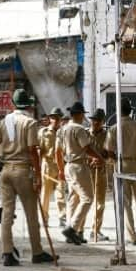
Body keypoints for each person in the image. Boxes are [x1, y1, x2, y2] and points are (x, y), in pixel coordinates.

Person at [0, 89, 55, 266]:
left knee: (7, 214)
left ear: (14, 104)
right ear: (28, 105)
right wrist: (39, 176)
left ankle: (7, 253)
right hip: (23, 171)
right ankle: (37, 252)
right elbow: (33, 150)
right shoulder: (29, 123)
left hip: (6, 171)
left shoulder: (3, 122)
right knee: (31, 213)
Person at [105, 99, 136, 246]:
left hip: (122, 165)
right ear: (130, 111)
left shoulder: (113, 128)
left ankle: (131, 236)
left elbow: (109, 150)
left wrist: (116, 160)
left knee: (125, 203)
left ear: (118, 111)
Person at [57, 101, 105, 245]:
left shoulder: (62, 129)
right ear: (78, 115)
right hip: (78, 166)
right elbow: (87, 148)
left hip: (68, 166)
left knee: (73, 198)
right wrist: (99, 157)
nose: (84, 117)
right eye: (83, 114)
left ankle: (72, 231)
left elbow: (58, 152)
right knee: (87, 198)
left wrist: (61, 169)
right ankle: (72, 228)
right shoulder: (79, 129)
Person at [38, 107, 67, 228]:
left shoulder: (64, 132)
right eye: (53, 117)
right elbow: (39, 150)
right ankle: (44, 219)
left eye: (58, 117)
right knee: (46, 194)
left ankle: (63, 217)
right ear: (50, 119)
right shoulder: (43, 132)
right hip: (48, 165)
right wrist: (37, 168)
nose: (55, 120)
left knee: (61, 193)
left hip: (61, 165)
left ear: (61, 119)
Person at [86, 108, 109, 242]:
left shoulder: (106, 135)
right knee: (85, 200)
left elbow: (109, 151)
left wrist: (101, 158)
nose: (95, 123)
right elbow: (81, 150)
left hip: (99, 171)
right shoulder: (85, 134)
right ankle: (78, 229)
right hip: (86, 171)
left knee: (100, 203)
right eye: (93, 120)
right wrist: (90, 158)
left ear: (102, 122)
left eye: (98, 121)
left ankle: (95, 230)